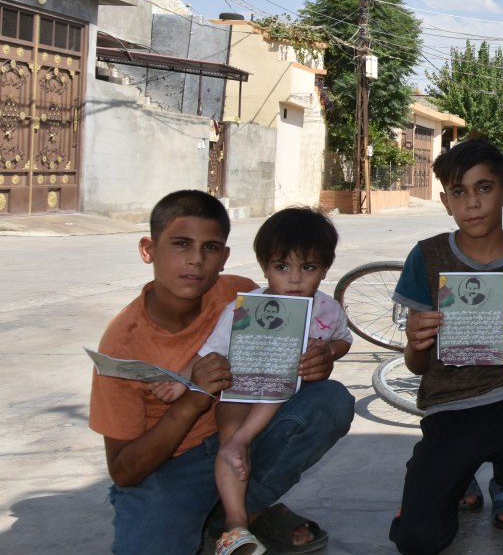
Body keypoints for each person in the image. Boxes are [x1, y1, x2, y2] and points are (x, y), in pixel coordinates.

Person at [89, 190, 354, 555]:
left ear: (225, 257)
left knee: (330, 400)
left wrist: (324, 357)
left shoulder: (246, 295)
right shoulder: (123, 344)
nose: (196, 260)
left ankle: (238, 515)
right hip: (170, 466)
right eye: (181, 244)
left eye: (210, 247)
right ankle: (221, 514)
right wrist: (192, 396)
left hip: (243, 435)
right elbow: (124, 471)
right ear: (149, 250)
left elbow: (327, 339)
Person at [389, 138, 503, 554]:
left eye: (484, 188)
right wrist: (416, 342)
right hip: (446, 406)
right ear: (445, 201)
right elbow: (416, 365)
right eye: (458, 191)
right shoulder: (427, 256)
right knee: (418, 540)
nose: (472, 203)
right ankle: (452, 475)